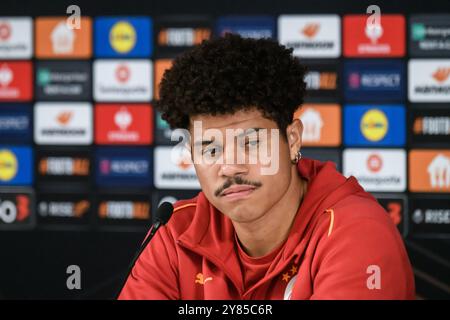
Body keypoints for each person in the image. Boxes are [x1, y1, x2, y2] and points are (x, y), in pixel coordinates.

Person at [118, 34, 415, 300]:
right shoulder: (173, 234)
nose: (231, 167)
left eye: (251, 142)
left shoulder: (357, 233)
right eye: (210, 149)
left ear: (293, 140)